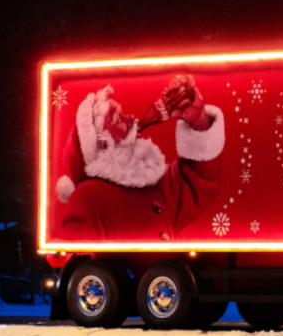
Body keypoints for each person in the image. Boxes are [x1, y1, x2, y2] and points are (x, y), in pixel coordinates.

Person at [54, 78, 224, 242]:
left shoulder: (153, 183)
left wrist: (198, 119)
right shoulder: (88, 197)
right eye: (117, 119)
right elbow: (79, 249)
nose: (131, 117)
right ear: (103, 145)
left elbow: (198, 180)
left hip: (162, 270)